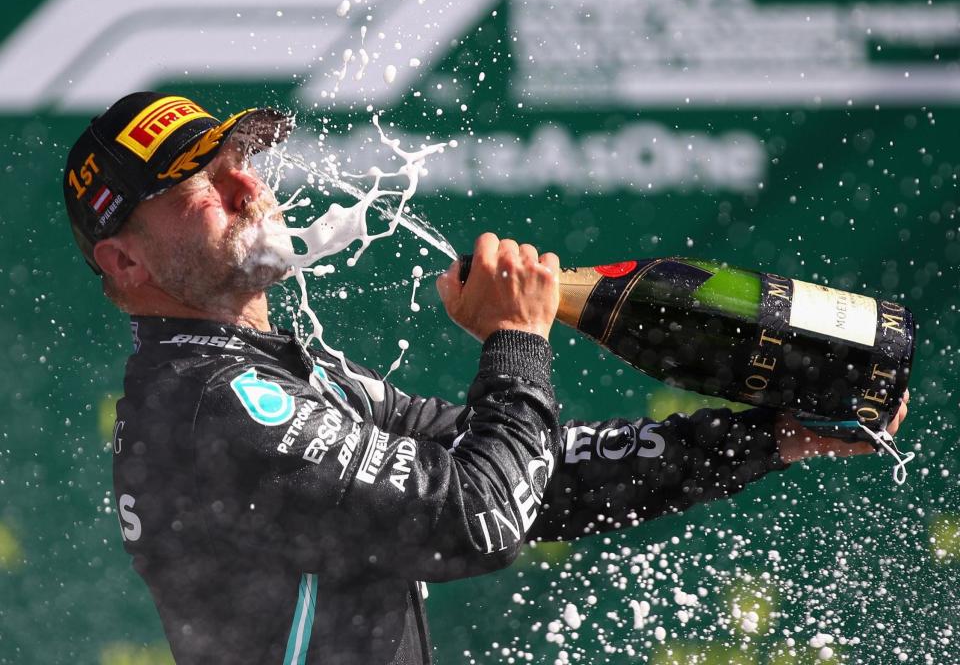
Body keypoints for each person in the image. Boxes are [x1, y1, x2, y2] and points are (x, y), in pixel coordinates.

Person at [63, 92, 908, 665]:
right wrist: (514, 339)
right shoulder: (214, 403)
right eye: (200, 187)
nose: (248, 187)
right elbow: (476, 520)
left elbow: (536, 478)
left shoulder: (275, 375)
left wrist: (772, 437)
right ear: (124, 259)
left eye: (239, 160)